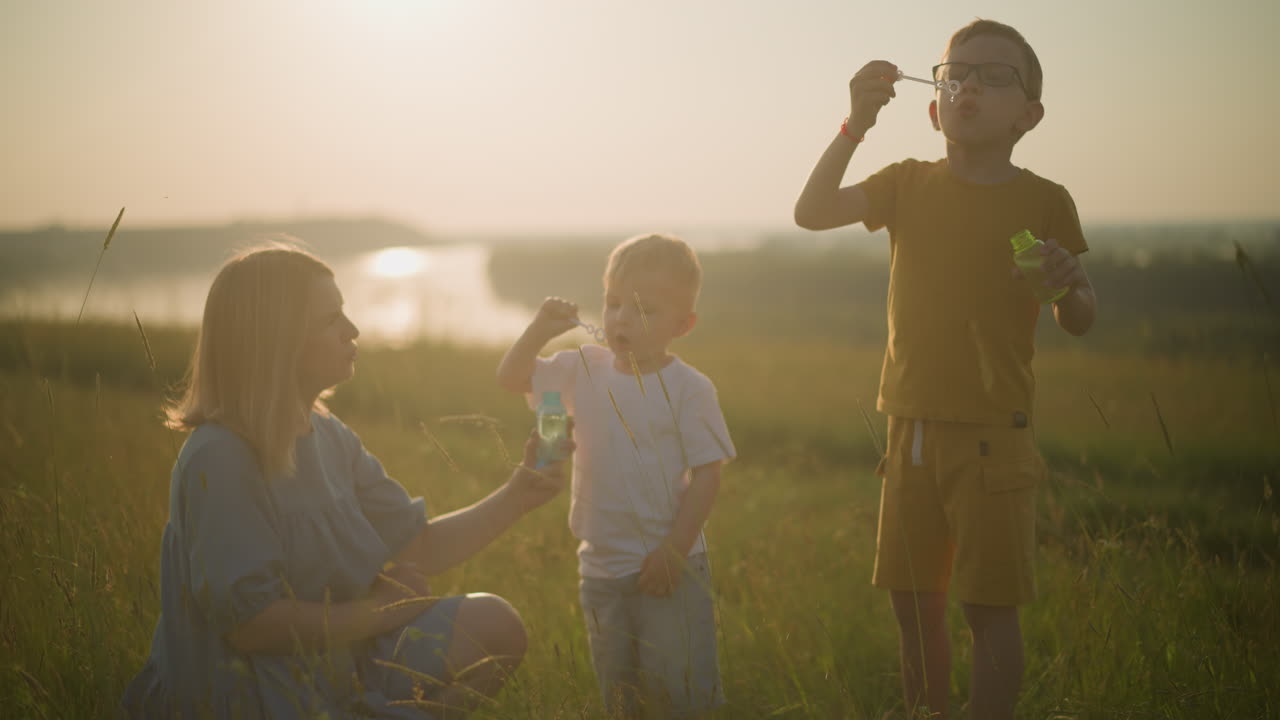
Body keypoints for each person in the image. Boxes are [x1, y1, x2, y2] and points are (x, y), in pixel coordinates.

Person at [121, 242, 571, 719]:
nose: (352, 330)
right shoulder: (221, 456)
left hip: (338, 661)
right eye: (331, 319)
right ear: (277, 339)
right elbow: (251, 627)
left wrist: (520, 493)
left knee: (495, 628)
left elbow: (417, 546)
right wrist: (377, 612)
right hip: (247, 690)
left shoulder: (329, 435)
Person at [793, 19, 1097, 720]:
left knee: (987, 611)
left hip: (995, 433)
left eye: (996, 76)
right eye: (955, 73)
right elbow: (811, 213)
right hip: (910, 429)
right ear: (934, 108)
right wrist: (856, 122)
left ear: (1029, 116)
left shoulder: (1044, 200)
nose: (969, 85)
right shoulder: (905, 184)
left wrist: (1072, 285)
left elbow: (1076, 314)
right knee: (913, 606)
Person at [496, 233, 736, 718]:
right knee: (621, 695)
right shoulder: (582, 367)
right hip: (600, 567)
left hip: (668, 565)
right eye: (613, 303)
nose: (622, 318)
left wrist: (673, 551)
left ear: (682, 325)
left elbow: (708, 475)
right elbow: (512, 378)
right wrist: (540, 329)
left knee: (679, 694)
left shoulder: (689, 388)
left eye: (643, 310)